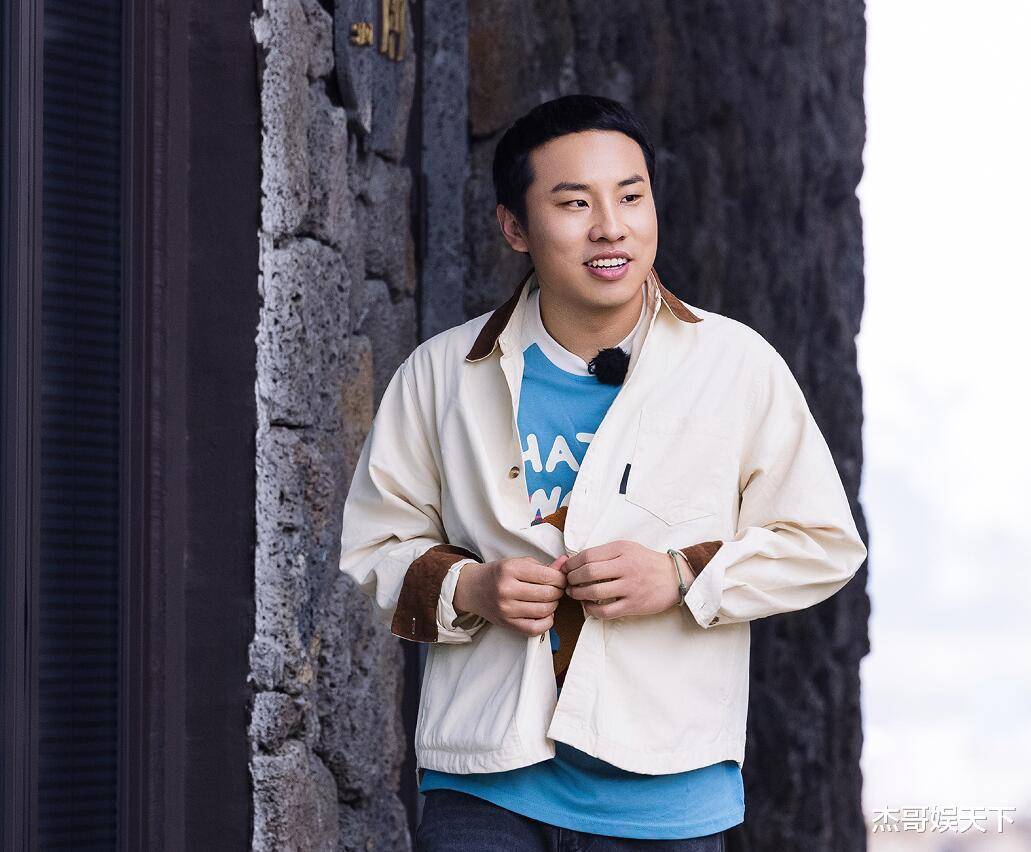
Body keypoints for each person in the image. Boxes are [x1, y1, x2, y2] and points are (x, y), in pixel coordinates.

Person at [338, 94, 867, 851]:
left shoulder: (736, 365)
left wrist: (680, 576)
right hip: (485, 787)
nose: (610, 227)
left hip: (668, 794)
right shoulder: (441, 373)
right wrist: (471, 588)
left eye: (630, 195)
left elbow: (822, 543)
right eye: (574, 203)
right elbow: (374, 545)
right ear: (515, 227)